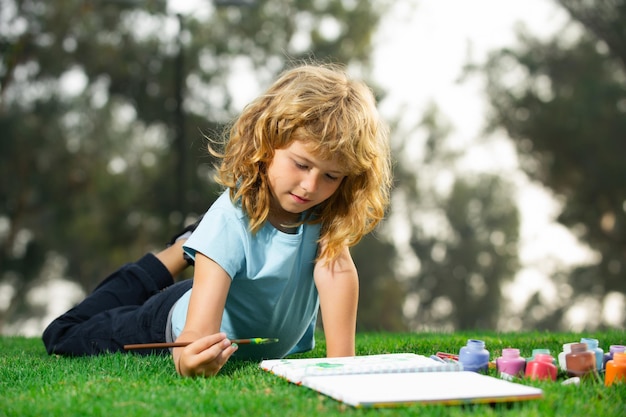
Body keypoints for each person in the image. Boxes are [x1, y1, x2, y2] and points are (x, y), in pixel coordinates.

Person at [42, 63, 392, 377]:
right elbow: (194, 337)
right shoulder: (231, 217)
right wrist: (190, 359)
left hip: (224, 284)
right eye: (301, 164)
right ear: (268, 143)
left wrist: (344, 367)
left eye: (331, 176)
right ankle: (185, 249)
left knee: (219, 250)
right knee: (64, 334)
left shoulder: (325, 212)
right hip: (164, 319)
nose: (311, 186)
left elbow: (337, 273)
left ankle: (195, 243)